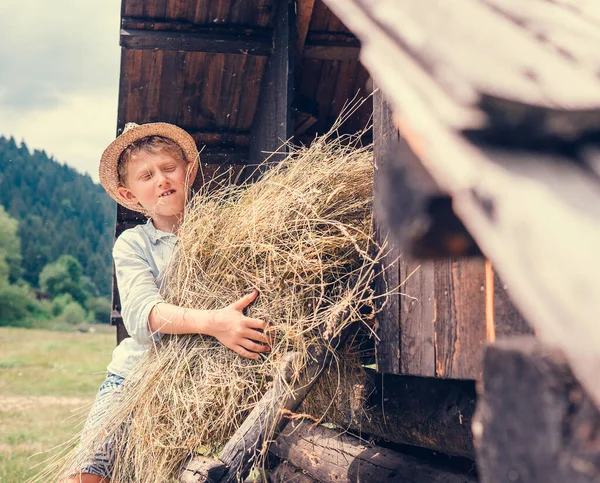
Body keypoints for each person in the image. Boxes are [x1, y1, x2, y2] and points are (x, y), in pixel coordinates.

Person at [66, 122, 271, 483]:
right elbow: (143, 317)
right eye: (146, 175)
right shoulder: (134, 244)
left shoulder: (229, 231)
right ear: (130, 195)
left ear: (189, 172)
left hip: (213, 375)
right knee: (88, 473)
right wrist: (214, 323)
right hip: (135, 376)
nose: (161, 179)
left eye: (168, 168)